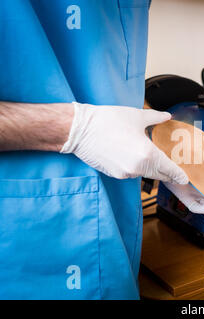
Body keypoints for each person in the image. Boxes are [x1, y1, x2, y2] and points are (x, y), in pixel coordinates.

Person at [0, 0, 188, 299]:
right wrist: (75, 129)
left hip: (115, 237)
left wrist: (157, 140)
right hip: (23, 247)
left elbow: (95, 75)